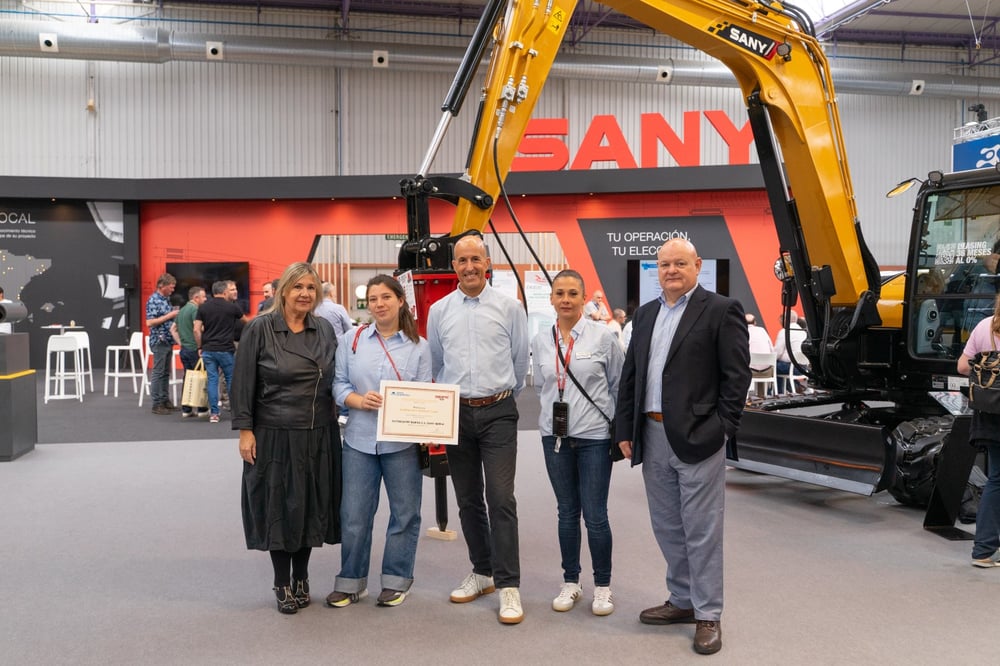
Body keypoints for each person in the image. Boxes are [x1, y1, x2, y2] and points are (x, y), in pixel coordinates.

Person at [615, 239, 750, 656]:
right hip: (651, 433)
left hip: (699, 436)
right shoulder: (646, 314)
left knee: (702, 528)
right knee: (667, 525)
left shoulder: (720, 310)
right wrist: (625, 428)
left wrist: (723, 429)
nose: (671, 270)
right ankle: (682, 599)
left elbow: (737, 377)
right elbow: (632, 375)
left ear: (697, 265)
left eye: (679, 263)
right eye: (664, 264)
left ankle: (708, 613)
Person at [426, 233, 529, 625]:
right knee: (468, 499)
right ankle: (482, 571)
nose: (469, 266)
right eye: (462, 260)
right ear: (453, 266)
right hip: (457, 414)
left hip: (498, 411)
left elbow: (519, 362)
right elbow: (437, 363)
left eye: (475, 259)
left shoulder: (510, 307)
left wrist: (499, 396)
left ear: (487, 263)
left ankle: (509, 585)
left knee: (501, 498)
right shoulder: (439, 311)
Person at [233, 261, 342, 615]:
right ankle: (282, 582)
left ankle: (302, 577)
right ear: (283, 291)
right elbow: (242, 383)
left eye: (311, 288)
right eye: (298, 287)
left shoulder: (324, 329)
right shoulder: (260, 328)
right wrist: (245, 431)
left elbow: (337, 377)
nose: (305, 294)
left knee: (309, 506)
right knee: (279, 508)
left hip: (318, 433)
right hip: (274, 434)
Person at [326, 275, 432, 609]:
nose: (379, 304)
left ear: (401, 301)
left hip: (402, 445)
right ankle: (351, 582)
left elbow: (427, 394)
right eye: (373, 299)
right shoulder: (352, 340)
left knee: (405, 515)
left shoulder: (419, 347)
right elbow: (338, 384)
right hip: (359, 441)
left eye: (386, 297)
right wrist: (358, 400)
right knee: (354, 515)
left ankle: (397, 581)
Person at [530, 269, 623, 616]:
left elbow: (617, 384)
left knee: (595, 515)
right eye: (560, 293)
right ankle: (571, 581)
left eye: (572, 293)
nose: (566, 300)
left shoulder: (603, 337)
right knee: (567, 512)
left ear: (584, 298)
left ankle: (603, 586)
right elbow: (542, 386)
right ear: (551, 299)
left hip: (594, 438)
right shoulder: (542, 340)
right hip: (554, 438)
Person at [957, 292, 1000, 568]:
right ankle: (984, 549)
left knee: (997, 479)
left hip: (989, 413)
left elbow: (963, 366)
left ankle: (984, 549)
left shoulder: (985, 326)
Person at [194, 280, 248, 423]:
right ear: (224, 292)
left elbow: (196, 330)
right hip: (226, 349)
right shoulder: (232, 307)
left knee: (212, 380)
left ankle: (214, 414)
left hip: (208, 349)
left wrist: (200, 346)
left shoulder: (203, 307)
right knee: (230, 379)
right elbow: (247, 322)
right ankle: (235, 411)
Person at [170, 285, 208, 417]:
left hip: (185, 350)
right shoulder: (195, 309)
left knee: (188, 378)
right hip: (194, 350)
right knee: (201, 378)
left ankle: (186, 409)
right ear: (196, 298)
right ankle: (202, 409)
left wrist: (181, 343)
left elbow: (173, 329)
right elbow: (197, 329)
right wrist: (200, 346)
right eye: (203, 297)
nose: (206, 299)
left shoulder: (182, 310)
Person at [145, 273, 180, 415]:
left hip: (167, 340)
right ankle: (157, 403)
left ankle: (165, 400)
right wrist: (170, 315)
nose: (173, 290)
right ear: (162, 286)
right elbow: (150, 322)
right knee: (158, 372)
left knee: (165, 372)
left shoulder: (166, 300)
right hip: (159, 341)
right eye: (171, 287)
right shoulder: (153, 300)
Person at [773, 311, 807, 393]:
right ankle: (795, 388)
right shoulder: (803, 332)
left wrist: (769, 360)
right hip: (804, 367)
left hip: (792, 367)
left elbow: (778, 353)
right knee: (779, 365)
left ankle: (778, 393)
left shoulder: (784, 331)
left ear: (784, 320)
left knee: (772, 367)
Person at [746, 313, 775, 397]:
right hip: (767, 372)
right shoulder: (762, 330)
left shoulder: (743, 332)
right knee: (763, 364)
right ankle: (761, 395)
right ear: (755, 322)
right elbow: (772, 349)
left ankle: (743, 397)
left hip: (750, 372)